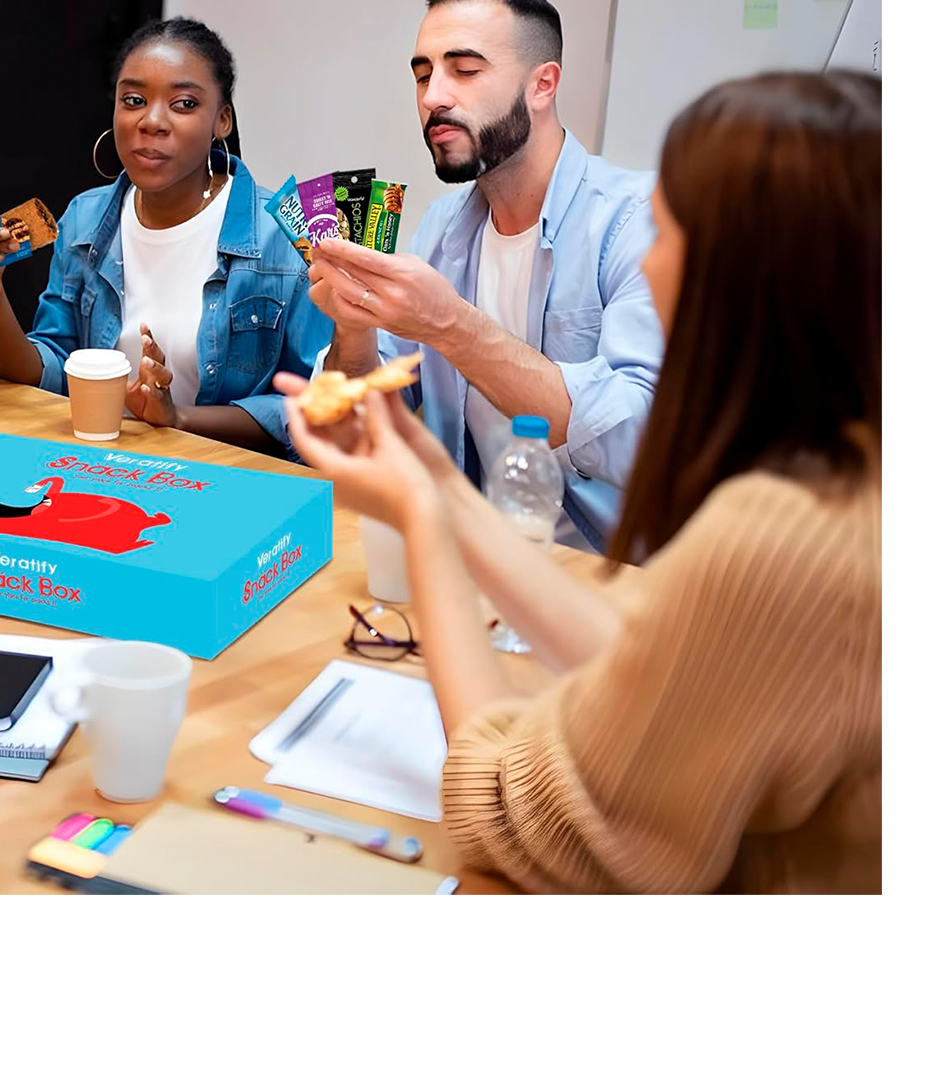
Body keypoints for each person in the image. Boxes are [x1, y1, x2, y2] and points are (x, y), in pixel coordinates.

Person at [280, 70, 881, 894]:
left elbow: (520, 819)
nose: (651, 264)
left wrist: (425, 518)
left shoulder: (783, 529)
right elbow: (657, 669)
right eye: (422, 71)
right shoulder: (846, 470)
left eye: (667, 237)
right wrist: (434, 480)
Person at [308, 0, 664, 549]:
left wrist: (450, 325)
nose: (433, 97)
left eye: (464, 70)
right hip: (471, 560)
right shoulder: (442, 228)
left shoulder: (638, 222)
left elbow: (641, 441)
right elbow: (354, 439)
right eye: (423, 74)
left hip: (607, 576)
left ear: (542, 85)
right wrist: (354, 330)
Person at [0, 16, 329, 454]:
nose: (152, 121)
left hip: (235, 483)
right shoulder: (85, 219)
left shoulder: (286, 231)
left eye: (184, 104)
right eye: (133, 99)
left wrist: (178, 419)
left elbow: (313, 406)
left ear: (221, 120)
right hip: (102, 467)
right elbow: (50, 372)